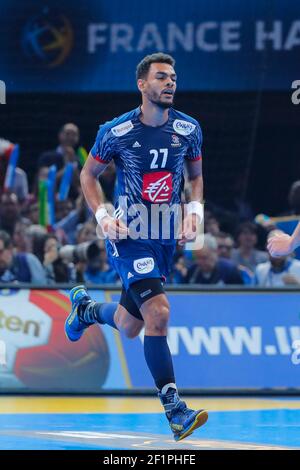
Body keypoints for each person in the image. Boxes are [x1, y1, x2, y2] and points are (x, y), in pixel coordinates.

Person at [65, 52, 208, 441]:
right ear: (142, 85)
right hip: (128, 235)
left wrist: (194, 212)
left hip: (164, 237)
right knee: (158, 313)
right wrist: (103, 217)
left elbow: (195, 176)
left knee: (130, 325)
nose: (170, 82)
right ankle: (175, 410)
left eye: (174, 77)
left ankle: (87, 309)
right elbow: (88, 175)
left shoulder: (189, 128)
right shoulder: (116, 131)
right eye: (161, 77)